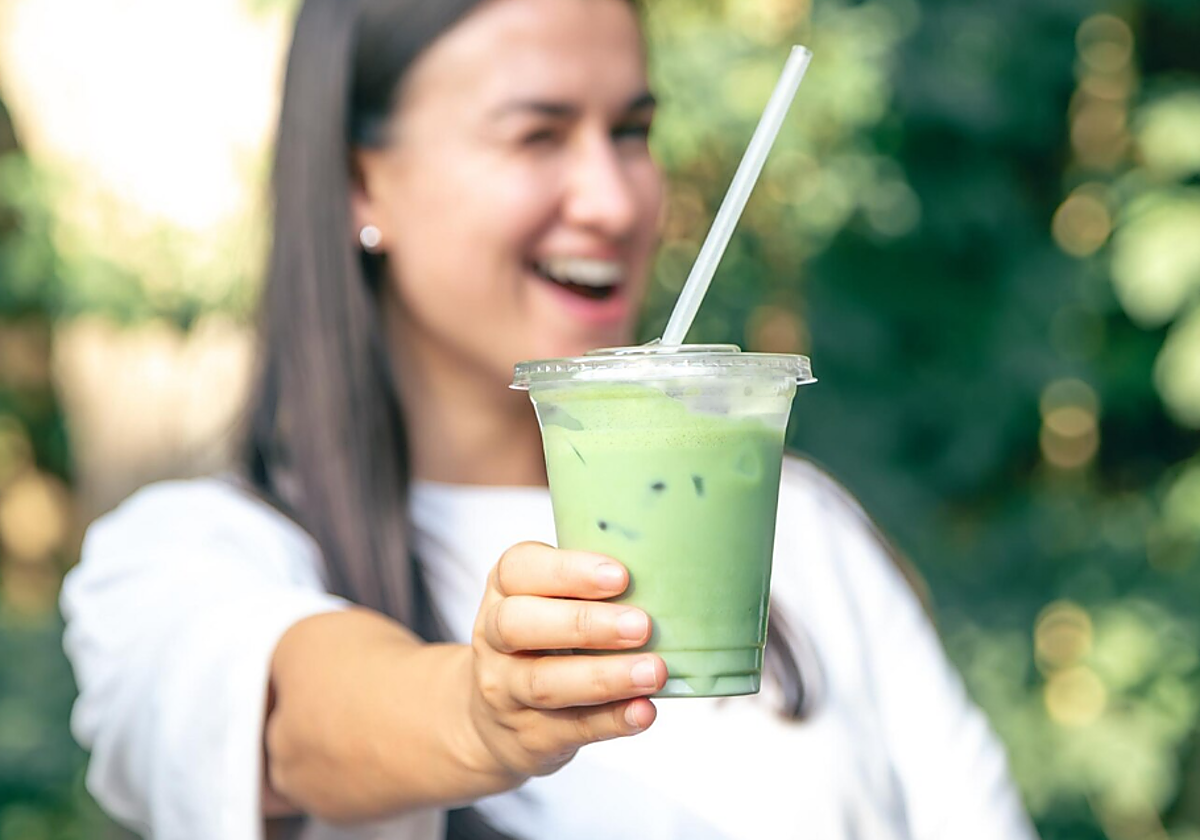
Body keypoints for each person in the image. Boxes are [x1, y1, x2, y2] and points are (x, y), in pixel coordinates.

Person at [60, 0, 1040, 838]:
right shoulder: (184, 557)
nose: (615, 201)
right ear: (363, 182)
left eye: (631, 132)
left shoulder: (805, 529)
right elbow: (291, 718)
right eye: (536, 133)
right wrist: (483, 714)